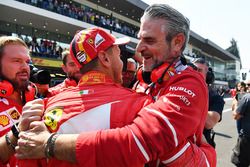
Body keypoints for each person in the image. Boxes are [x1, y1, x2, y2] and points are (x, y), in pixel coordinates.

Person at [16, 4, 216, 167]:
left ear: (178, 43)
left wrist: (47, 143)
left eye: (149, 40)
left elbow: (137, 142)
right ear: (104, 58)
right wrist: (203, 157)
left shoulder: (189, 82)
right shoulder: (140, 92)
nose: (138, 48)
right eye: (140, 40)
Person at [0, 36, 38, 166]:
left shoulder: (35, 99)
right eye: (17, 61)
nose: (25, 67)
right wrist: (18, 131)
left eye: (27, 62)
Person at [193, 58, 225, 148]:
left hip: (201, 147)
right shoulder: (180, 89)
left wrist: (185, 102)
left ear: (208, 76)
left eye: (199, 70)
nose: (194, 73)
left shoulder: (215, 97)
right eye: (193, 69)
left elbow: (209, 123)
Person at [231, 93, 250, 167]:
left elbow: (236, 116)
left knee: (241, 163)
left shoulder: (247, 97)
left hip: (247, 138)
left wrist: (235, 104)